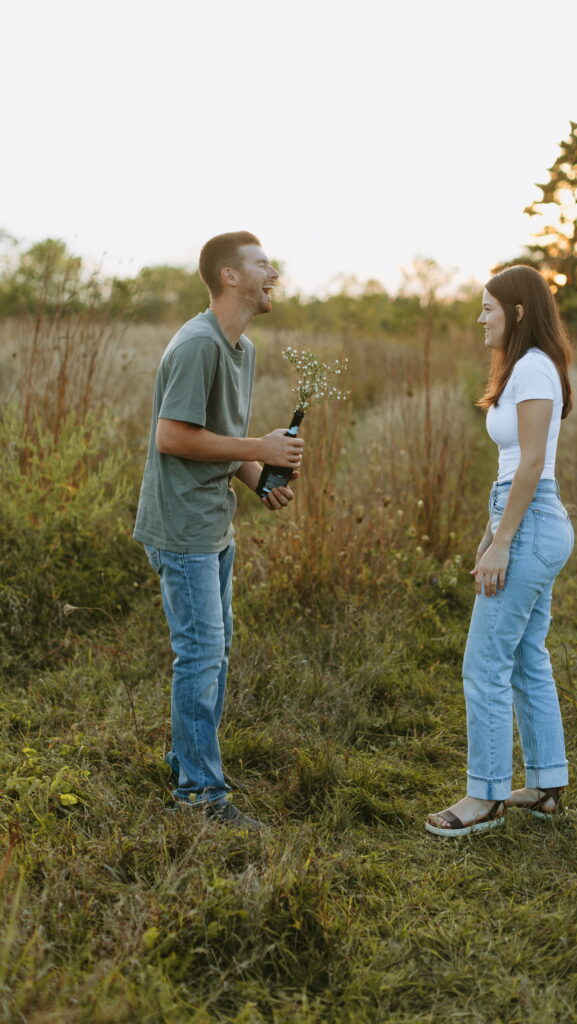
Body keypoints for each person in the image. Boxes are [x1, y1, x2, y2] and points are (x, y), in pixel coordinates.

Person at [133, 231, 304, 829]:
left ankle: (186, 759)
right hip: (180, 529)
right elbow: (172, 436)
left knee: (214, 648)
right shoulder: (198, 345)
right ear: (230, 276)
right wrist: (259, 444)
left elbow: (220, 438)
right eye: (261, 263)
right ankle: (200, 796)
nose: (273, 270)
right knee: (201, 654)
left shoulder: (243, 349)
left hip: (214, 526)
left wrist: (258, 477)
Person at [426, 265, 574, 837]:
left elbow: (534, 463)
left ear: (515, 312)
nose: (479, 318)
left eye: (488, 308)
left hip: (533, 520)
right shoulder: (523, 370)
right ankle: (544, 785)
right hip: (524, 516)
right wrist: (493, 530)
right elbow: (514, 463)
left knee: (484, 662)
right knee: (526, 656)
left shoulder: (535, 367)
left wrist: (506, 539)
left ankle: (482, 798)